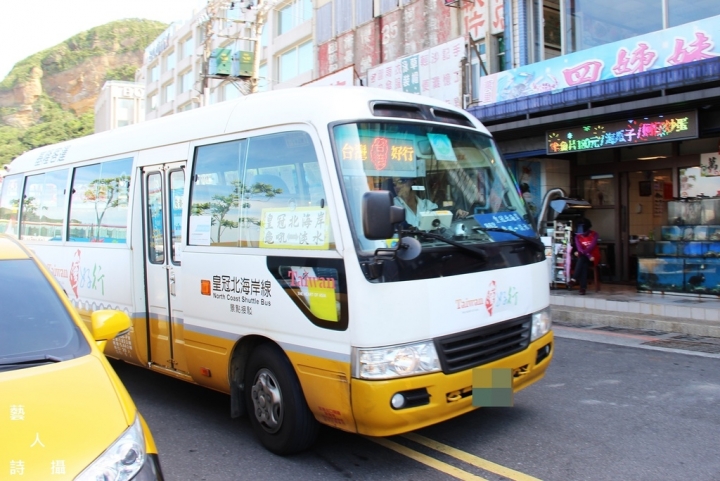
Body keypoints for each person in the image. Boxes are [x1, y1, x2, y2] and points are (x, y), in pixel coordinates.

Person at [569, 218, 600, 295]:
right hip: (585, 257)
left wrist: (588, 255)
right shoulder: (577, 236)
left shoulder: (595, 234)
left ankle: (574, 279)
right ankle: (582, 288)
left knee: (582, 259)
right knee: (583, 263)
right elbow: (579, 248)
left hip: (593, 257)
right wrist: (587, 255)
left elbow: (591, 247)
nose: (582, 234)